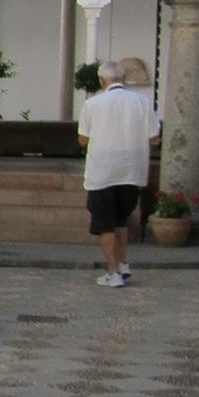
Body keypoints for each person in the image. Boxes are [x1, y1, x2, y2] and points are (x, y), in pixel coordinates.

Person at [77, 61, 160, 288]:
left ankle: (113, 272)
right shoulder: (142, 102)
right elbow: (154, 136)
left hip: (103, 171)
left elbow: (83, 140)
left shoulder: (93, 104)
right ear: (123, 79)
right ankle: (123, 264)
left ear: (102, 80)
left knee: (105, 224)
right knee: (122, 219)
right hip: (132, 170)